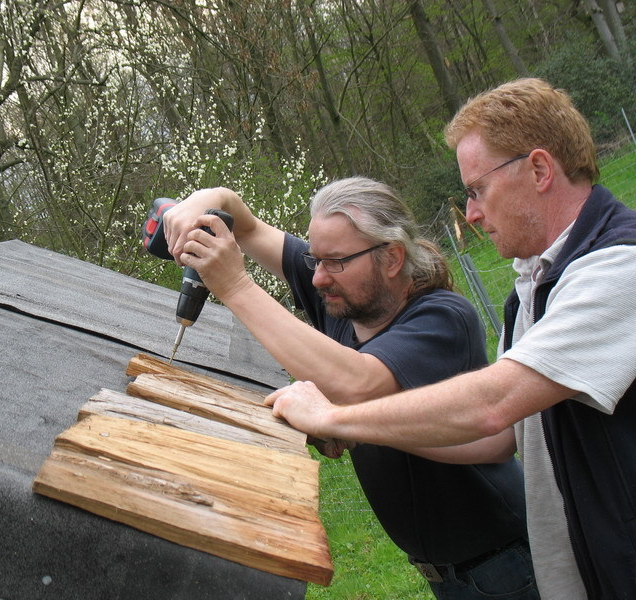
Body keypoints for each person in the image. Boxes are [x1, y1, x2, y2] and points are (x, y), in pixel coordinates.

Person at [265, 78, 636, 600]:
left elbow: (492, 404)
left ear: (538, 169)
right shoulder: (535, 287)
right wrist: (370, 429)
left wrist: (331, 416)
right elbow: (497, 436)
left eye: (477, 190)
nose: (472, 213)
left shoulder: (618, 269)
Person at [163, 177, 539, 599]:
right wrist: (206, 201)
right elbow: (247, 228)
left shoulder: (442, 317)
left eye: (335, 262)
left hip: (504, 565)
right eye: (315, 259)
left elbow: (359, 384)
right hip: (449, 573)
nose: (319, 278)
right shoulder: (343, 298)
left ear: (392, 257)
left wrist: (234, 286)